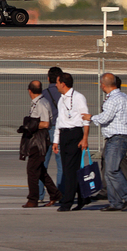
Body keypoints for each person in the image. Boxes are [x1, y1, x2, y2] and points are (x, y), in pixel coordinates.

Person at [82, 73, 127, 211]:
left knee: (112, 170)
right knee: (107, 172)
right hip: (117, 137)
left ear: (104, 85)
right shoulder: (124, 96)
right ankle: (115, 202)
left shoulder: (113, 99)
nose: (100, 86)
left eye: (101, 84)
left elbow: (105, 117)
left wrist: (91, 117)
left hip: (117, 138)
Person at [53, 72, 89, 212]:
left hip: (75, 134)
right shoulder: (61, 99)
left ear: (63, 83)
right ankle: (83, 197)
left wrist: (84, 138)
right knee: (70, 169)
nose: (55, 85)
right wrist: (56, 140)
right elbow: (59, 121)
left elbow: (86, 119)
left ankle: (67, 202)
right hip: (64, 135)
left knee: (69, 171)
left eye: (57, 82)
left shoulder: (79, 97)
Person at [21, 80, 60, 208]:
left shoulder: (41, 103)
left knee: (32, 170)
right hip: (35, 139)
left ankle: (33, 199)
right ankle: (55, 194)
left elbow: (46, 123)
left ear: (29, 91)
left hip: (39, 140)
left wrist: (31, 125)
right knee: (40, 170)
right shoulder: (36, 102)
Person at [39, 66, 63, 202]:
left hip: (46, 130)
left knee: (42, 164)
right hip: (60, 130)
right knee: (61, 165)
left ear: (48, 78)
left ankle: (40, 194)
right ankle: (61, 193)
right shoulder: (64, 94)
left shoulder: (43, 94)